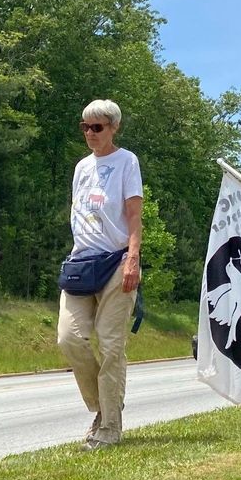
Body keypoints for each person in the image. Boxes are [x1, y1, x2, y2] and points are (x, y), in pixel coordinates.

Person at [57, 99, 142, 447]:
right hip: (81, 264)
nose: (90, 133)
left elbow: (134, 215)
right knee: (69, 338)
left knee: (110, 346)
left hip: (117, 262)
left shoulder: (127, 161)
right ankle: (104, 408)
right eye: (85, 127)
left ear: (113, 127)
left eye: (97, 127)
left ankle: (109, 428)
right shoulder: (81, 167)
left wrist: (133, 259)